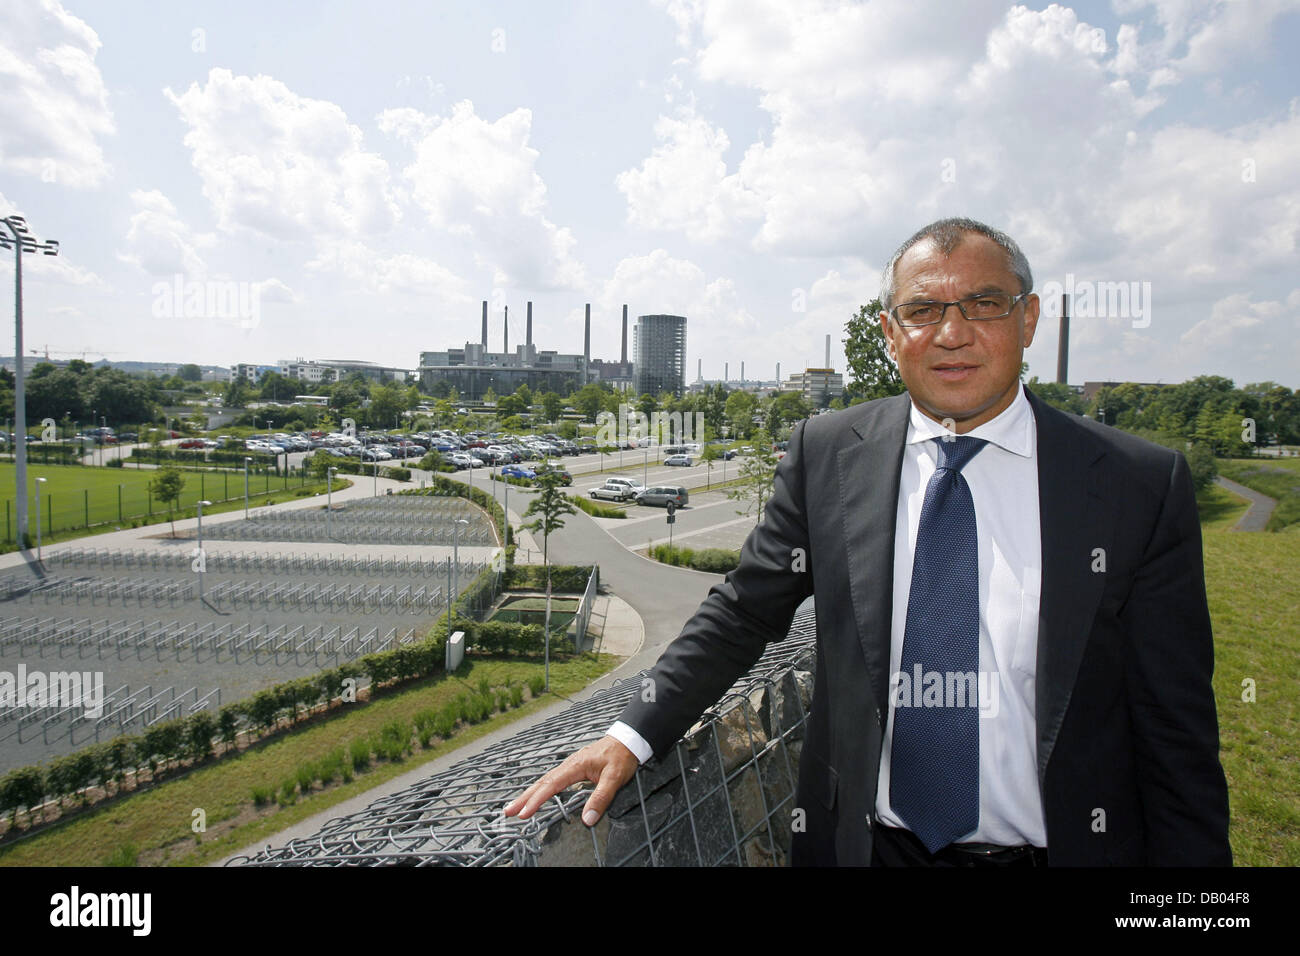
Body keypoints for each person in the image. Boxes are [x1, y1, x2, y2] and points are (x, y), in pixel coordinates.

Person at [504, 217, 1231, 866]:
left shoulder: (1136, 485)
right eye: (922, 310)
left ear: (1029, 318)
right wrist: (631, 735)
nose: (952, 333)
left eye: (984, 304)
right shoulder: (829, 453)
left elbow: (1177, 731)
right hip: (867, 849)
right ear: (891, 334)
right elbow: (745, 609)